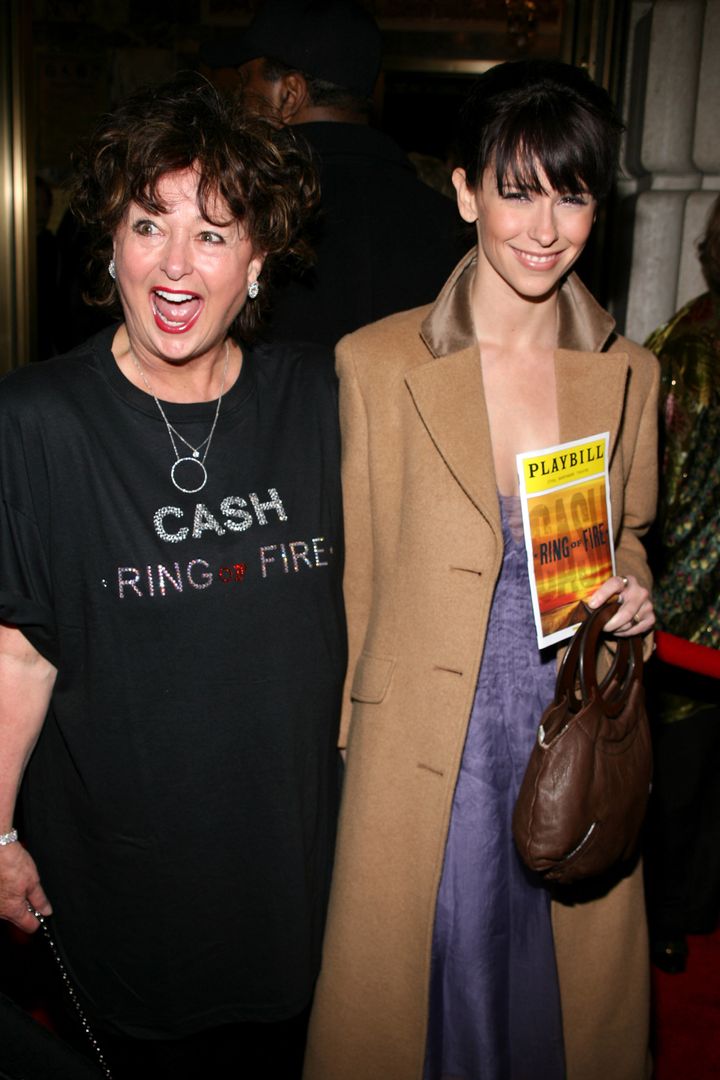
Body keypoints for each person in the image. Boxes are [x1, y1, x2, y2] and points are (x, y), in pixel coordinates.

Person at [303, 60, 658, 1080]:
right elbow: (358, 574)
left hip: (568, 722)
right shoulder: (378, 362)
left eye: (573, 192)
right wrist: (345, 745)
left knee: (560, 1006)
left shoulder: (629, 372)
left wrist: (632, 587)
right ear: (464, 192)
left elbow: (627, 531)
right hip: (426, 742)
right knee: (427, 1000)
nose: (544, 227)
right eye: (517, 188)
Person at [0, 74, 345, 1079]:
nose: (176, 263)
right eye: (149, 224)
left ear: (260, 259)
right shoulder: (35, 422)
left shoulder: (323, 401)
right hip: (130, 894)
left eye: (214, 231)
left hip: (296, 884)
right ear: (110, 243)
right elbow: (18, 650)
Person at [202, 0, 471, 347]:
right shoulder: (453, 227)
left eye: (244, 83)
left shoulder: (248, 214)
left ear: (289, 95)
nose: (239, 100)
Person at [643, 193, 720, 973]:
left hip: (692, 614)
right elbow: (650, 490)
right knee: (679, 782)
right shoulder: (685, 348)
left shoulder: (684, 341)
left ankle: (685, 911)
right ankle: (671, 915)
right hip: (685, 616)